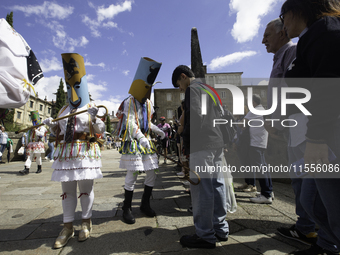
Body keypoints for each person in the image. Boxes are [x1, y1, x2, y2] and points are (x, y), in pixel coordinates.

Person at [280, 1, 340, 254]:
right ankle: (328, 244)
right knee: (314, 203)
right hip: (316, 134)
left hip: (326, 138)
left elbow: (327, 90)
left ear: (296, 11)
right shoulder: (312, 36)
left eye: (282, 16)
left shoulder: (325, 31)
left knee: (331, 207)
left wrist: (316, 138)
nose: (283, 23)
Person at [262, 18, 317, 245]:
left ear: (282, 33)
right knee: (299, 179)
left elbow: (295, 91)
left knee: (308, 179)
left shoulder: (292, 51)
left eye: (267, 35)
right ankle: (306, 226)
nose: (263, 40)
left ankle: (315, 230)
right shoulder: (281, 56)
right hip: (292, 128)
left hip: (302, 127)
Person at [42, 53, 105, 249]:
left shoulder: (91, 107)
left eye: (76, 86)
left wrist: (94, 119)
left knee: (85, 190)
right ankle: (67, 227)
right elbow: (58, 131)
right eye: (70, 87)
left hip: (85, 152)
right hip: (66, 154)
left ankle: (86, 222)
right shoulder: (62, 110)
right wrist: (50, 126)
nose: (73, 92)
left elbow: (101, 130)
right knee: (67, 191)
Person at [172, 65, 229, 249]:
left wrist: (184, 138)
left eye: (179, 85)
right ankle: (221, 229)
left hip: (202, 144)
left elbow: (195, 117)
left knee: (202, 189)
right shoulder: (209, 88)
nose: (181, 89)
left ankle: (205, 235)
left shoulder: (192, 89)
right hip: (217, 142)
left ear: (183, 76)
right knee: (217, 185)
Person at [116, 57, 165, 225]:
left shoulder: (149, 103)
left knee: (152, 172)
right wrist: (141, 138)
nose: (147, 91)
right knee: (133, 174)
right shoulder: (129, 101)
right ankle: (126, 208)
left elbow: (147, 122)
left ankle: (145, 203)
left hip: (146, 141)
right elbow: (130, 122)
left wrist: (158, 131)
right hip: (134, 141)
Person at [243, 95, 273, 204]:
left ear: (253, 102)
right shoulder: (263, 110)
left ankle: (266, 195)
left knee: (260, 169)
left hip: (255, 143)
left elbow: (243, 124)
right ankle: (269, 191)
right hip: (262, 143)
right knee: (264, 167)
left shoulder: (254, 111)